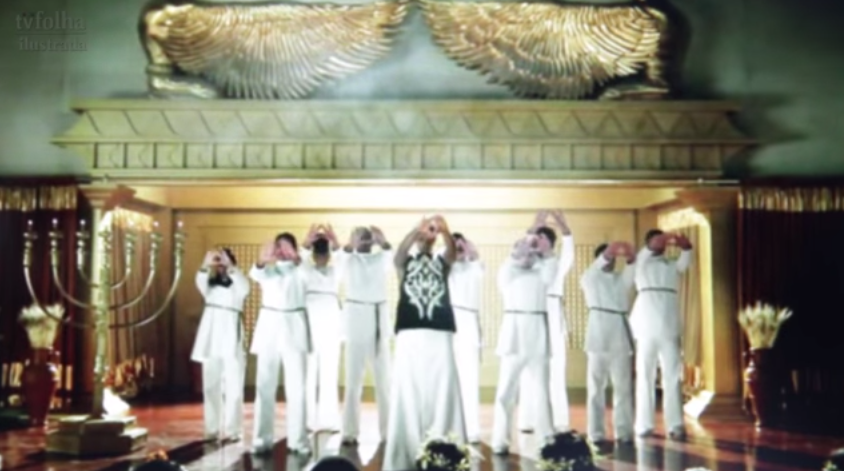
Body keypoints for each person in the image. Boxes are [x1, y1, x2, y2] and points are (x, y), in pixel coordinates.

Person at [383, 215, 466, 471]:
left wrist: (444, 231)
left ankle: (444, 450)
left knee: (442, 387)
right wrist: (415, 231)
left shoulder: (442, 262)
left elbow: (452, 253)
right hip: (409, 333)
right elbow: (399, 254)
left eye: (427, 235)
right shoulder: (405, 263)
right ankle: (407, 450)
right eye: (421, 236)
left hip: (440, 333)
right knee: (408, 389)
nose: (424, 238)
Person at [491, 215, 569, 455]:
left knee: (541, 390)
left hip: (537, 335)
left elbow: (549, 273)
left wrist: (542, 250)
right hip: (513, 336)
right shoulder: (508, 270)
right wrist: (523, 247)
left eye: (533, 246)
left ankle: (546, 438)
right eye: (523, 247)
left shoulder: (544, 268)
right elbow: (507, 271)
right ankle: (500, 440)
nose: (528, 250)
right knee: (505, 392)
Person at [249, 233, 310, 455]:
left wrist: (297, 257)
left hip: (294, 329)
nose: (282, 252)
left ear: (294, 248)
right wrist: (262, 259)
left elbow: (308, 275)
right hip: (270, 329)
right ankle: (261, 439)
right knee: (264, 386)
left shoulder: (302, 269)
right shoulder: (269, 272)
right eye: (279, 247)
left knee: (297, 388)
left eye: (286, 247)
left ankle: (298, 441)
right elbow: (256, 273)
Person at [630, 229, 693, 440]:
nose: (661, 243)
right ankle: (644, 424)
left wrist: (685, 246)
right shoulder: (640, 262)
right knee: (644, 375)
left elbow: (685, 260)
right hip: (646, 325)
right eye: (656, 240)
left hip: (669, 324)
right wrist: (657, 242)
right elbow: (644, 253)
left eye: (663, 241)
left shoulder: (671, 264)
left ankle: (675, 424)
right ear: (648, 243)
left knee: (672, 375)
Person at [518, 210, 575, 433]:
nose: (538, 242)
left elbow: (568, 253)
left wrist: (565, 228)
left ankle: (559, 419)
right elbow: (520, 252)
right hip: (531, 313)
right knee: (528, 370)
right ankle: (527, 419)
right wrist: (533, 227)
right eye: (536, 238)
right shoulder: (529, 263)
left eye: (542, 238)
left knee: (556, 369)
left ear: (551, 243)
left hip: (552, 312)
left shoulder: (559, 263)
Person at [340, 225, 393, 445]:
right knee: (353, 381)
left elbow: (390, 255)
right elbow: (340, 259)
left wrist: (383, 241)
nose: (364, 240)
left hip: (378, 319)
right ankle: (349, 432)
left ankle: (388, 432)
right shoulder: (348, 259)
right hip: (356, 321)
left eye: (367, 237)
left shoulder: (380, 259)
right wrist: (350, 245)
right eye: (359, 237)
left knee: (384, 382)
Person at [580, 242, 636, 444]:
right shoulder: (589, 277)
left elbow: (632, 268)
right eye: (607, 257)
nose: (611, 261)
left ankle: (624, 431)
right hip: (597, 336)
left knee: (623, 387)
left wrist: (629, 255)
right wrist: (610, 251)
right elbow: (596, 266)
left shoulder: (620, 279)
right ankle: (595, 432)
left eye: (613, 259)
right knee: (596, 388)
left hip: (619, 336)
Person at [191, 247, 250, 442]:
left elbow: (244, 286)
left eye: (224, 262)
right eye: (219, 263)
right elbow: (199, 279)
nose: (221, 266)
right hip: (211, 338)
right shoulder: (209, 287)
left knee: (234, 385)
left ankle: (233, 430)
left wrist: (229, 266)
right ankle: (212, 429)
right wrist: (207, 262)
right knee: (210, 385)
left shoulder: (238, 286)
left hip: (232, 337)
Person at [300, 223, 347, 433]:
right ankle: (307, 420)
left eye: (324, 252)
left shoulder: (335, 272)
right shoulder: (305, 271)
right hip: (310, 322)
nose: (321, 256)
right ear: (313, 254)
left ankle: (329, 419)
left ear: (328, 255)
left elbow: (343, 260)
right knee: (308, 372)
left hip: (331, 323)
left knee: (329, 370)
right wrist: (306, 242)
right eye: (318, 252)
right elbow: (299, 260)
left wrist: (335, 241)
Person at [447, 232, 484, 444]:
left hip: (469, 325)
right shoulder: (445, 266)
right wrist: (451, 248)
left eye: (460, 246)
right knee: (447, 379)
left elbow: (477, 260)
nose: (458, 249)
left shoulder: (474, 267)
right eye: (455, 246)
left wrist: (468, 248)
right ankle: (447, 427)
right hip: (449, 324)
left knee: (469, 379)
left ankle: (471, 428)